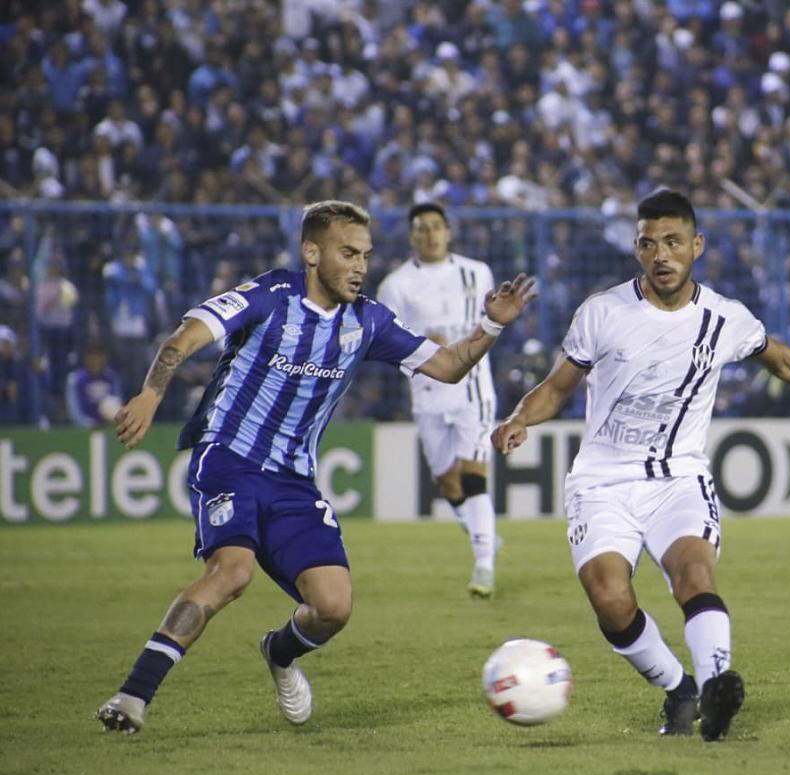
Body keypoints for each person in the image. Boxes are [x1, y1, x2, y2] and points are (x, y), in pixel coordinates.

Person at [491, 190, 790, 741]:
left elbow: (785, 361)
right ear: (636, 247)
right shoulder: (602, 312)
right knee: (609, 596)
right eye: (649, 243)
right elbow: (558, 387)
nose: (661, 255)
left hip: (679, 479)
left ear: (697, 246)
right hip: (603, 480)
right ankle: (679, 688)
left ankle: (718, 688)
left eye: (673, 242)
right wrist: (522, 417)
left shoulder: (724, 318)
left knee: (693, 574)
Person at [96, 200, 535, 734]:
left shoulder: (367, 319)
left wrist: (491, 323)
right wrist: (150, 395)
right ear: (311, 251)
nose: (360, 266)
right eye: (348, 253)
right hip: (228, 458)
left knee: (333, 607)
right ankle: (132, 697)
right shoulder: (268, 296)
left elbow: (447, 366)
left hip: (293, 479)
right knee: (231, 573)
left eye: (365, 256)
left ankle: (279, 653)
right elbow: (184, 338)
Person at [376, 203, 500, 597]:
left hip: (472, 387)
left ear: (448, 231)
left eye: (435, 228)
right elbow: (386, 342)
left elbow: (491, 325)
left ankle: (484, 566)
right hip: (427, 392)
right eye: (421, 229)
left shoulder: (476, 272)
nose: (429, 235)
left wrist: (462, 348)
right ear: (412, 236)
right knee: (448, 484)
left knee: (472, 474)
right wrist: (426, 350)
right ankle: (484, 536)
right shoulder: (395, 285)